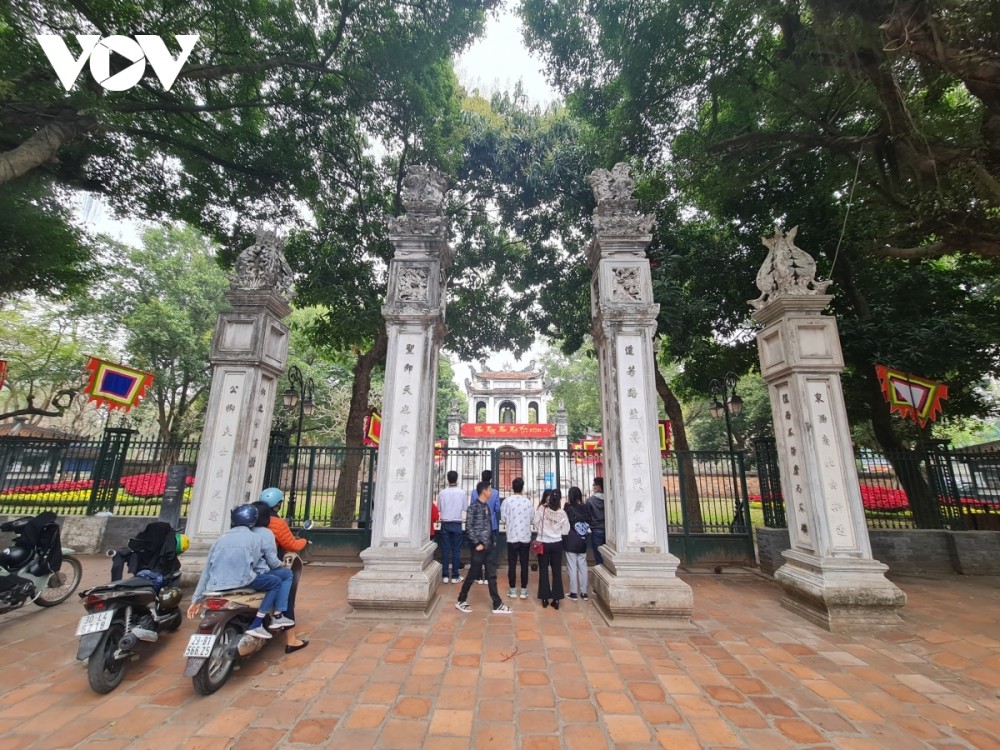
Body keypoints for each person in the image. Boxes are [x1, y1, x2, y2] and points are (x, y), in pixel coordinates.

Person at [187, 504, 289, 639]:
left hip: (215, 586)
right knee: (275, 582)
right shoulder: (255, 538)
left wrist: (196, 599)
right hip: (243, 581)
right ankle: (258, 623)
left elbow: (207, 571)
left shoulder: (220, 540)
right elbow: (259, 565)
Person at [257, 488, 309, 653]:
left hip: (245, 567)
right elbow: (292, 545)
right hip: (267, 567)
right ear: (278, 505)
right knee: (286, 589)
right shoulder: (277, 524)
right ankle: (291, 638)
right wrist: (304, 541)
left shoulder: (251, 522)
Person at [455, 481, 512, 615]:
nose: (491, 492)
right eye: (489, 490)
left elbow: (488, 526)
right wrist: (477, 543)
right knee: (472, 575)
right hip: (479, 548)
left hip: (488, 547)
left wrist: (492, 540)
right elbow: (469, 527)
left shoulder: (486, 506)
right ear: (483, 491)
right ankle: (461, 600)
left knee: (491, 575)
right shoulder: (473, 507)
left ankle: (497, 604)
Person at [250, 501, 295, 628]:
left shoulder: (236, 533)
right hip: (255, 574)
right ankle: (278, 614)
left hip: (230, 576)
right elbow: (273, 561)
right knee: (284, 576)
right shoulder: (267, 532)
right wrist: (282, 564)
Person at [533, 488, 569, 609]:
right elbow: (566, 530)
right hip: (557, 544)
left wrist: (544, 530)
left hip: (543, 543)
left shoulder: (542, 509)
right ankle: (556, 599)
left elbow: (535, 522)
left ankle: (544, 598)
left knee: (543, 570)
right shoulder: (562, 513)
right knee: (556, 572)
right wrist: (556, 532)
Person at [500, 476, 533, 599]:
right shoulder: (528, 502)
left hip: (512, 537)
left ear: (512, 488)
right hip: (525, 537)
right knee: (525, 564)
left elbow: (503, 518)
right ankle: (524, 590)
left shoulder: (507, 501)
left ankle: (512, 589)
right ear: (522, 488)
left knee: (512, 564)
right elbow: (532, 518)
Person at [469, 469, 501, 584]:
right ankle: (488, 576)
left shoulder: (474, 492)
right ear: (491, 478)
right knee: (489, 552)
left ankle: (477, 576)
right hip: (491, 524)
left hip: (478, 525)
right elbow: (497, 509)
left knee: (477, 551)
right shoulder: (495, 492)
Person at [563, 486, 592, 601]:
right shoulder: (585, 507)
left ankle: (573, 593)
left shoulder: (568, 509)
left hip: (570, 540)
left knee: (572, 567)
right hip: (582, 540)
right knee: (583, 566)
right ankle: (584, 592)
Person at [437, 470, 466, 584]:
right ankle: (455, 576)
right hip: (457, 523)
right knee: (456, 550)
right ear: (457, 479)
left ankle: (445, 575)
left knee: (445, 549)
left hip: (445, 523)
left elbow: (439, 508)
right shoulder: (462, 493)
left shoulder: (442, 493)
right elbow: (465, 507)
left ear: (447, 479)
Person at [587, 477, 606, 566]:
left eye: (594, 485)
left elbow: (588, 515)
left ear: (598, 487)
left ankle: (600, 571)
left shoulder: (590, 501)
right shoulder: (608, 499)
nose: (593, 487)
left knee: (598, 556)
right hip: (608, 530)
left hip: (596, 529)